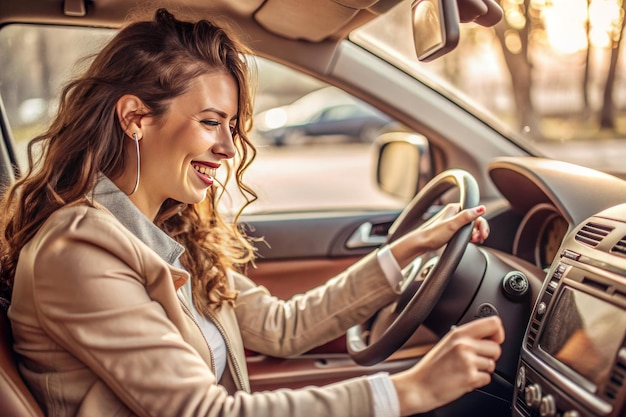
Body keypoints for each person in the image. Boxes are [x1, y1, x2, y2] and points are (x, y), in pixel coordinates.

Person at [0, 8, 504, 417]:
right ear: (135, 118)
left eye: (232, 127)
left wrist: (406, 248)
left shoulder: (163, 233)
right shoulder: (80, 250)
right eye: (210, 122)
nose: (228, 148)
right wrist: (408, 390)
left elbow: (284, 326)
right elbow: (200, 410)